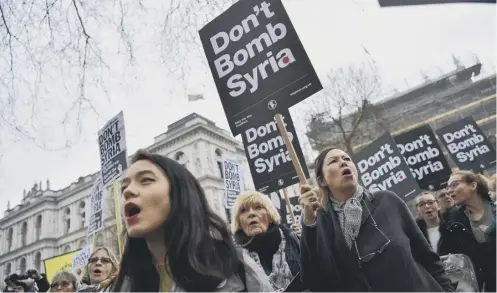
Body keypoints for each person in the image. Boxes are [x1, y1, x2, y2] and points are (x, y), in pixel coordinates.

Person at [111, 150, 273, 292]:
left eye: (146, 180)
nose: (128, 191)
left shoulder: (234, 268)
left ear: (180, 192)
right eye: (124, 187)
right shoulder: (122, 286)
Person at [299, 147, 454, 292]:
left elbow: (427, 257)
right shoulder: (320, 223)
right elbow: (314, 282)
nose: (343, 162)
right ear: (322, 181)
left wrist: (447, 290)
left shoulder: (387, 201)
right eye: (333, 161)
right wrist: (309, 224)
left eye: (346, 158)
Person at [231, 191, 301, 291]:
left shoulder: (292, 239)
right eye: (243, 210)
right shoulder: (233, 257)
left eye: (258, 207)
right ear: (239, 222)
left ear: (270, 216)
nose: (251, 213)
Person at [442, 170, 496, 292]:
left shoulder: (495, 204)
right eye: (448, 187)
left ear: (473, 185)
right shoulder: (453, 222)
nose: (449, 191)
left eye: (454, 185)